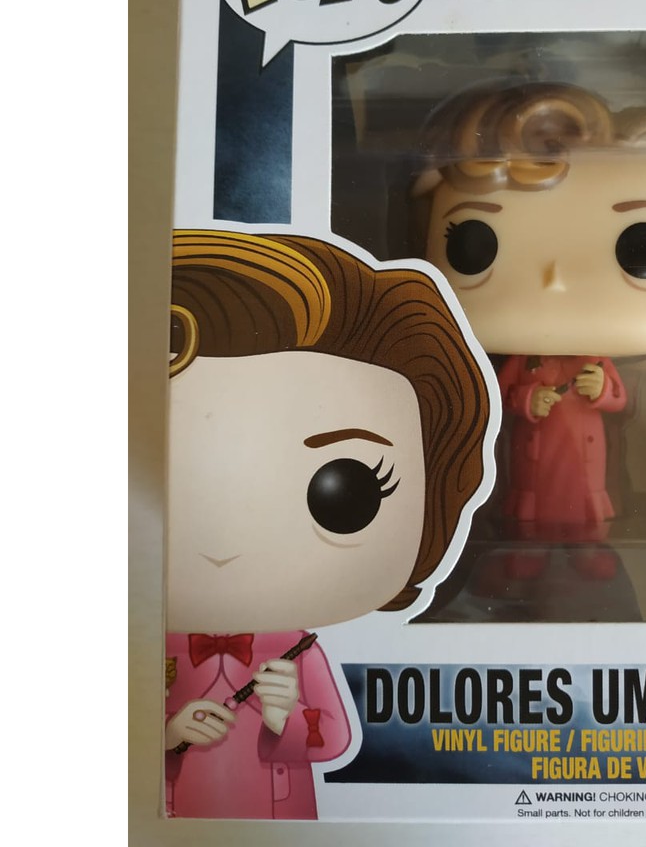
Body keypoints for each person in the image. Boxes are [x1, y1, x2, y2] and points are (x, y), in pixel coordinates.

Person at [164, 229, 490, 818]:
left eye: (345, 492)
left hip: (280, 817)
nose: (223, 541)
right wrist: (164, 734)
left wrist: (284, 715)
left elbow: (333, 737)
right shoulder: (137, 648)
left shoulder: (295, 650)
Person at [416, 82, 646, 557]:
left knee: (586, 504)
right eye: (474, 245)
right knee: (529, 503)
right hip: (534, 455)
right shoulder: (524, 359)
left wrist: (601, 391)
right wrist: (527, 399)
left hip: (585, 455)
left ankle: (588, 549)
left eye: (643, 247)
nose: (556, 279)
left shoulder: (596, 361)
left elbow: (617, 397)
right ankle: (527, 554)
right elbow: (497, 397)